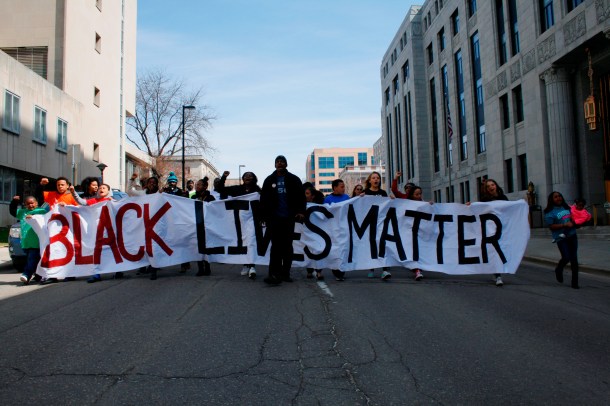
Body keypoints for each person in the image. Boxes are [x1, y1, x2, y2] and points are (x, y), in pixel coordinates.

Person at [260, 155, 306, 285]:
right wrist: (263, 216)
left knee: (287, 247)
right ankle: (273, 274)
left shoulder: (294, 179)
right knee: (275, 247)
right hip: (274, 219)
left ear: (286, 164)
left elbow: (301, 197)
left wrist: (301, 211)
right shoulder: (269, 180)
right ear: (275, 165)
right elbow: (263, 200)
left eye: (282, 162)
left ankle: (285, 273)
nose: (279, 163)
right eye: (277, 162)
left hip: (288, 218)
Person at [216, 170, 262, 279]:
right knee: (242, 242)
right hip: (238, 222)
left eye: (250, 175)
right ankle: (245, 264)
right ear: (243, 178)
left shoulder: (258, 190)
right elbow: (220, 189)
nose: (248, 177)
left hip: (252, 221)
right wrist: (224, 177)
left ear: (254, 178)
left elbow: (262, 204)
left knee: (251, 242)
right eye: (246, 175)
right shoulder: (237, 189)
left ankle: (252, 266)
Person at [9, 195, 49, 284]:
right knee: (34, 259)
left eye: (32, 203)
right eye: (28, 204)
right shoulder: (22, 212)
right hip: (26, 242)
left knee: (32, 258)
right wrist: (14, 202)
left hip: (37, 241)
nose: (30, 205)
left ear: (36, 203)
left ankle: (26, 275)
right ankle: (38, 275)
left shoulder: (41, 211)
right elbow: (12, 211)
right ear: (25, 205)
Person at [544, 191, 579, 289]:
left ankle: (575, 283)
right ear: (552, 199)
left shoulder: (567, 207)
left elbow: (575, 217)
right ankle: (559, 269)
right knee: (566, 257)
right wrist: (564, 225)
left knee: (574, 259)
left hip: (572, 235)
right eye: (556, 197)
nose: (558, 198)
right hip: (561, 237)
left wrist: (576, 222)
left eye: (560, 196)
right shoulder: (549, 212)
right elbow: (551, 226)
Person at [362, 171, 392, 281]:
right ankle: (371, 267)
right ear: (369, 180)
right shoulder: (365, 192)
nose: (376, 180)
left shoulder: (383, 193)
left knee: (382, 244)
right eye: (373, 178)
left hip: (380, 223)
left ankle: (385, 269)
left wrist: (392, 200)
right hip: (368, 224)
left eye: (378, 178)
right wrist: (360, 198)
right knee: (371, 245)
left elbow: (387, 206)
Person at [479, 179, 508, 287]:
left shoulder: (503, 198)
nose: (491, 187)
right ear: (486, 189)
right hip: (490, 230)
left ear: (496, 185)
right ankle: (498, 275)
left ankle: (497, 272)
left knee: (500, 249)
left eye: (493, 184)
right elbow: (478, 209)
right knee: (494, 251)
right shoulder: (484, 200)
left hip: (502, 228)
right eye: (488, 186)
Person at [324, 179, 351, 281]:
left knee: (343, 249)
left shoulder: (347, 197)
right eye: (342, 187)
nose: (344, 189)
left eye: (344, 186)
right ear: (335, 188)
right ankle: (336, 271)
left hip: (344, 228)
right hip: (333, 229)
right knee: (335, 250)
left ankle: (341, 271)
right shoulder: (328, 199)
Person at [191, 178, 215, 276]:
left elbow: (214, 210)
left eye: (200, 184)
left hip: (207, 226)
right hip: (196, 225)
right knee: (198, 247)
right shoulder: (193, 197)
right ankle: (200, 268)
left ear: (205, 186)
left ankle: (207, 267)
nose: (197, 186)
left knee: (206, 247)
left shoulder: (210, 197)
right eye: (197, 184)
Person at [304, 185, 325, 281]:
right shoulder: (300, 206)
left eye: (307, 193)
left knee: (317, 250)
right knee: (307, 250)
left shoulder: (319, 206)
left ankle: (319, 271)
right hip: (305, 233)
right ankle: (309, 270)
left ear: (312, 196)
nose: (305, 195)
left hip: (317, 233)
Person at [407, 185, 427, 281]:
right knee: (413, 251)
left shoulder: (424, 204)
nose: (419, 196)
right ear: (412, 195)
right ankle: (417, 270)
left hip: (421, 232)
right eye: (416, 194)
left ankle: (418, 269)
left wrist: (431, 205)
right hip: (409, 233)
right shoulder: (406, 204)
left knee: (420, 251)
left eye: (420, 194)